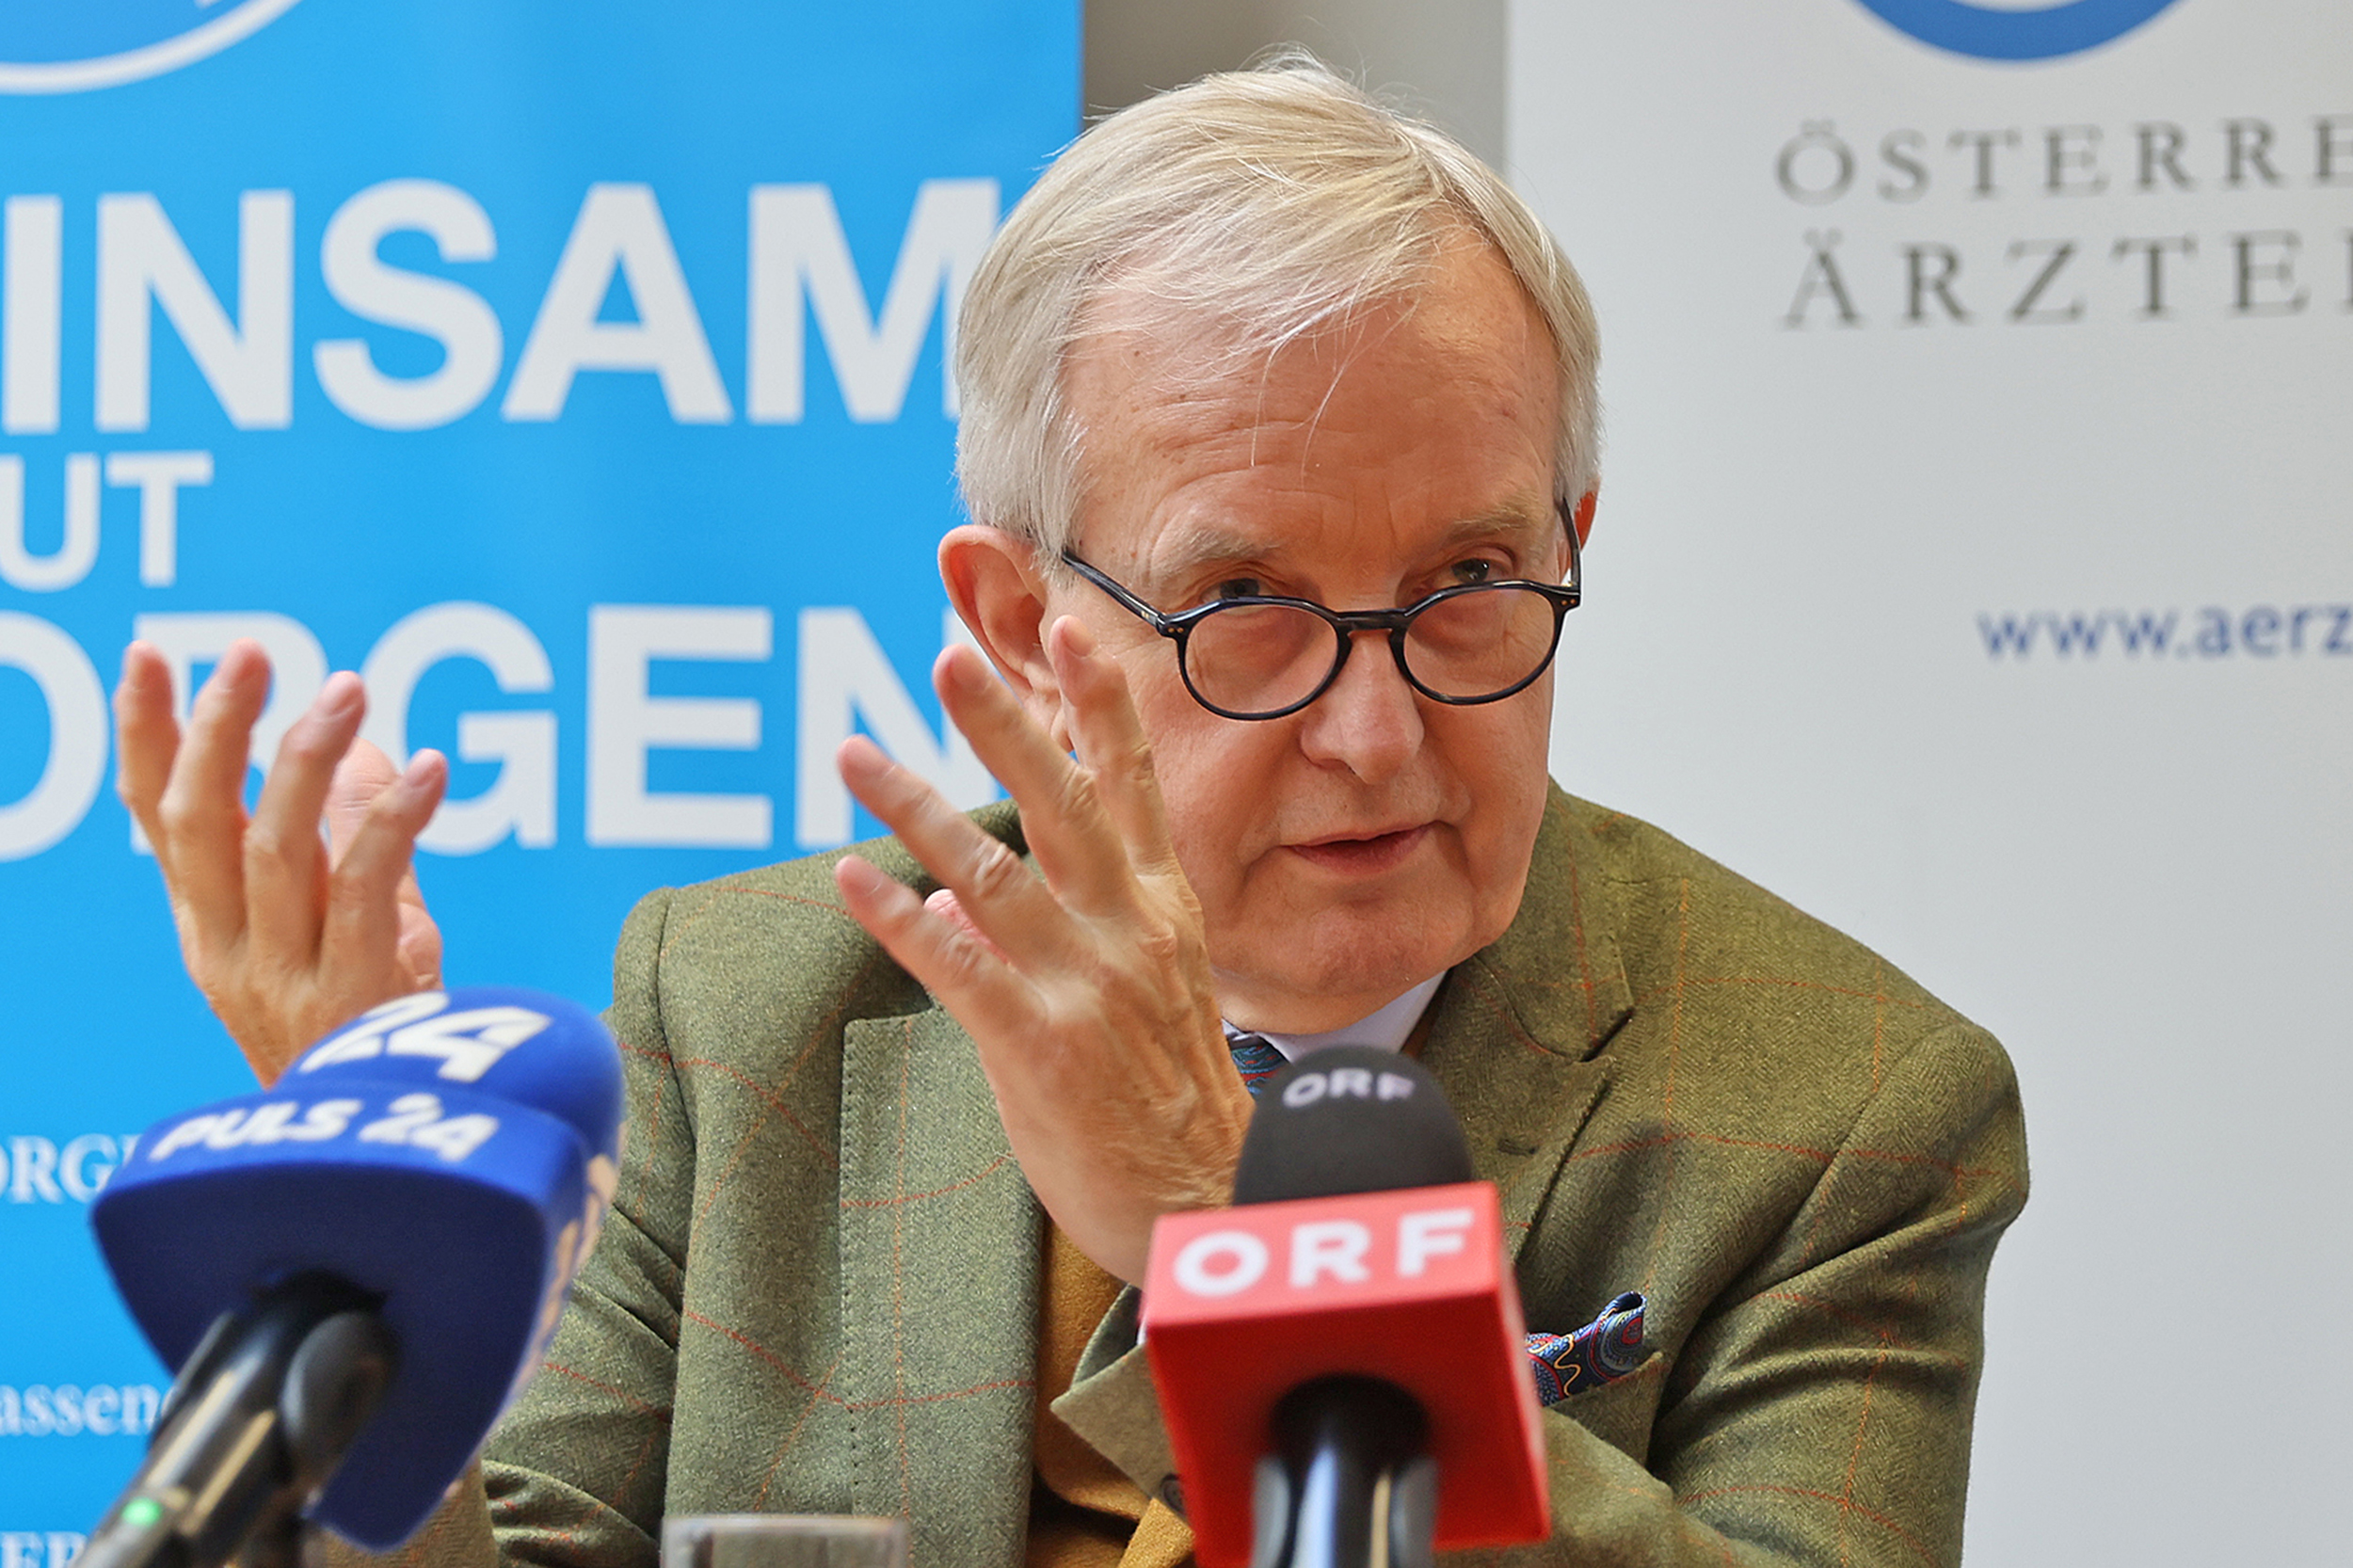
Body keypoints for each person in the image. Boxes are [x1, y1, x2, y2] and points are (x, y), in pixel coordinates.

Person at [112, 55, 2025, 1568]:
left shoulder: (1847, 1104)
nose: (1378, 732)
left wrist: (1217, 1230)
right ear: (1023, 627)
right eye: (1248, 604)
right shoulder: (749, 1008)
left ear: (1570, 540)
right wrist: (375, 1264)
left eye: (1467, 585)